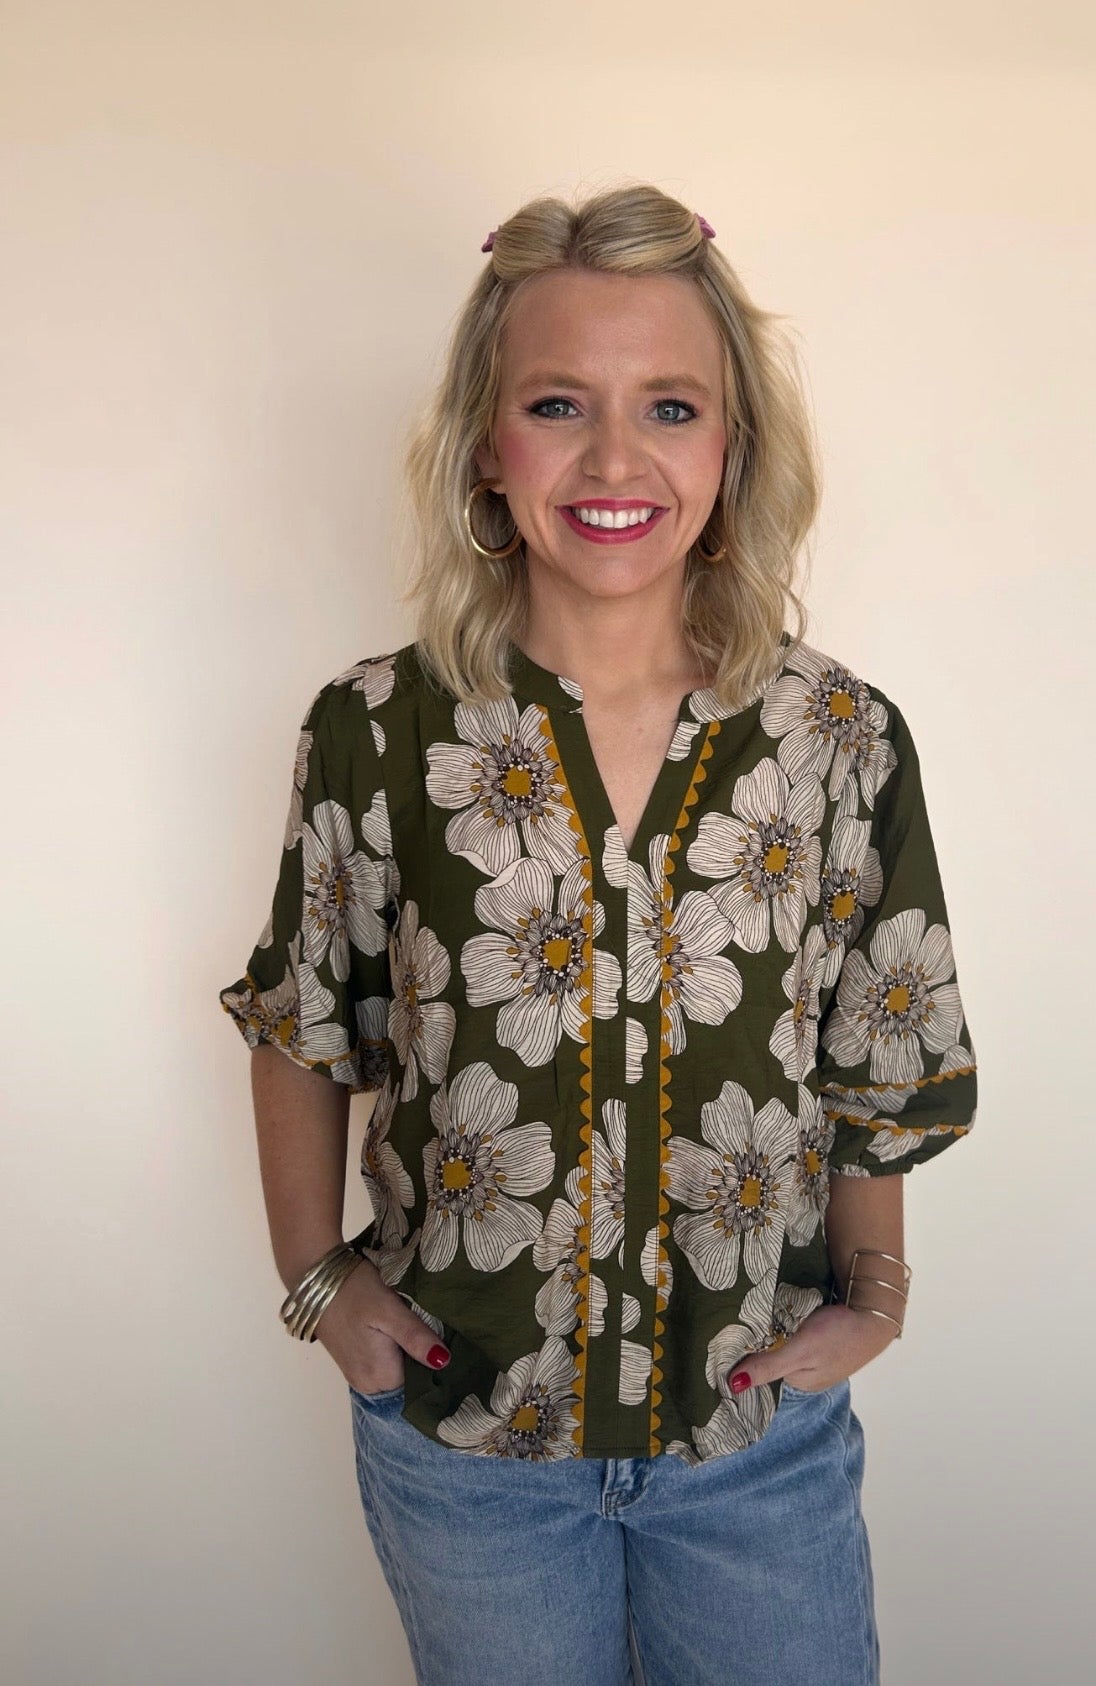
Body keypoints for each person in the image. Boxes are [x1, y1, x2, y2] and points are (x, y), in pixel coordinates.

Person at [219, 183, 978, 1686]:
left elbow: (875, 1051)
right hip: (468, 1447)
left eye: (671, 407)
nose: (615, 458)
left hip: (751, 1440)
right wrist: (321, 1287)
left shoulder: (836, 739)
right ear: (485, 449)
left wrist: (872, 1299)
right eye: (558, 402)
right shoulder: (378, 730)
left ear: (733, 446)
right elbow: (306, 1021)